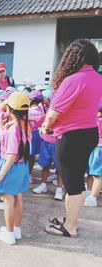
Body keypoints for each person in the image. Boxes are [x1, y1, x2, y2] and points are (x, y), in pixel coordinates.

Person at [42, 39, 102, 238]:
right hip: (89, 133)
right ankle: (70, 219)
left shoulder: (73, 80)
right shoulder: (97, 78)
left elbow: (52, 115)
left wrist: (46, 127)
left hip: (72, 136)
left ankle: (70, 226)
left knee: (73, 183)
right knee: (77, 180)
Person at [0, 92, 31, 245]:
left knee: (9, 199)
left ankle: (9, 234)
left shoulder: (13, 128)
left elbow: (12, 154)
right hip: (22, 166)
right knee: (18, 197)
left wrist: (1, 173)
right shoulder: (23, 126)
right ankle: (16, 229)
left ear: (10, 108)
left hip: (11, 166)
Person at [83, 100, 102, 207]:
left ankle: (93, 198)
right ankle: (89, 191)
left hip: (98, 149)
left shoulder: (96, 121)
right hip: (94, 148)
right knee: (91, 172)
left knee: (97, 175)